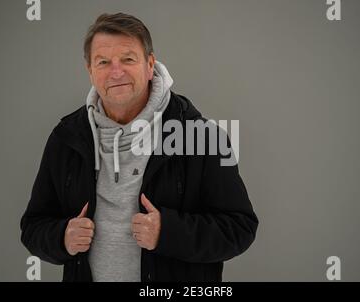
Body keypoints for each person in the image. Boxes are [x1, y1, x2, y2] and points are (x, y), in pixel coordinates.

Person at [20, 12, 258, 282]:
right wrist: (62, 237)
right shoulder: (66, 138)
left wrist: (168, 233)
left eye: (128, 59)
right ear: (90, 71)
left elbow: (240, 228)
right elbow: (33, 227)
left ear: (150, 64)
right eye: (103, 62)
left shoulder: (202, 137)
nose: (116, 71)